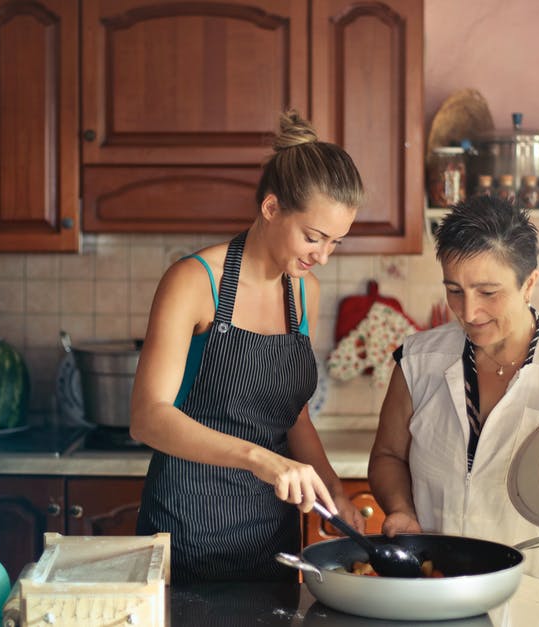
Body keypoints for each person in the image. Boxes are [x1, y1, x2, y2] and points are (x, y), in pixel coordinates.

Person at [130, 110, 366, 583]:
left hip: (273, 541)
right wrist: (259, 458)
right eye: (313, 237)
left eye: (336, 242)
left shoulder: (304, 292)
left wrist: (334, 489)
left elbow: (292, 415)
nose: (322, 256)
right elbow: (148, 417)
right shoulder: (195, 281)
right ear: (272, 208)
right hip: (186, 532)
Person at [368, 193, 539, 625]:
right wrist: (401, 509)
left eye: (488, 292)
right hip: (440, 596)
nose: (469, 311)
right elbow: (389, 456)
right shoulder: (417, 362)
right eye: (454, 290)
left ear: (529, 283)